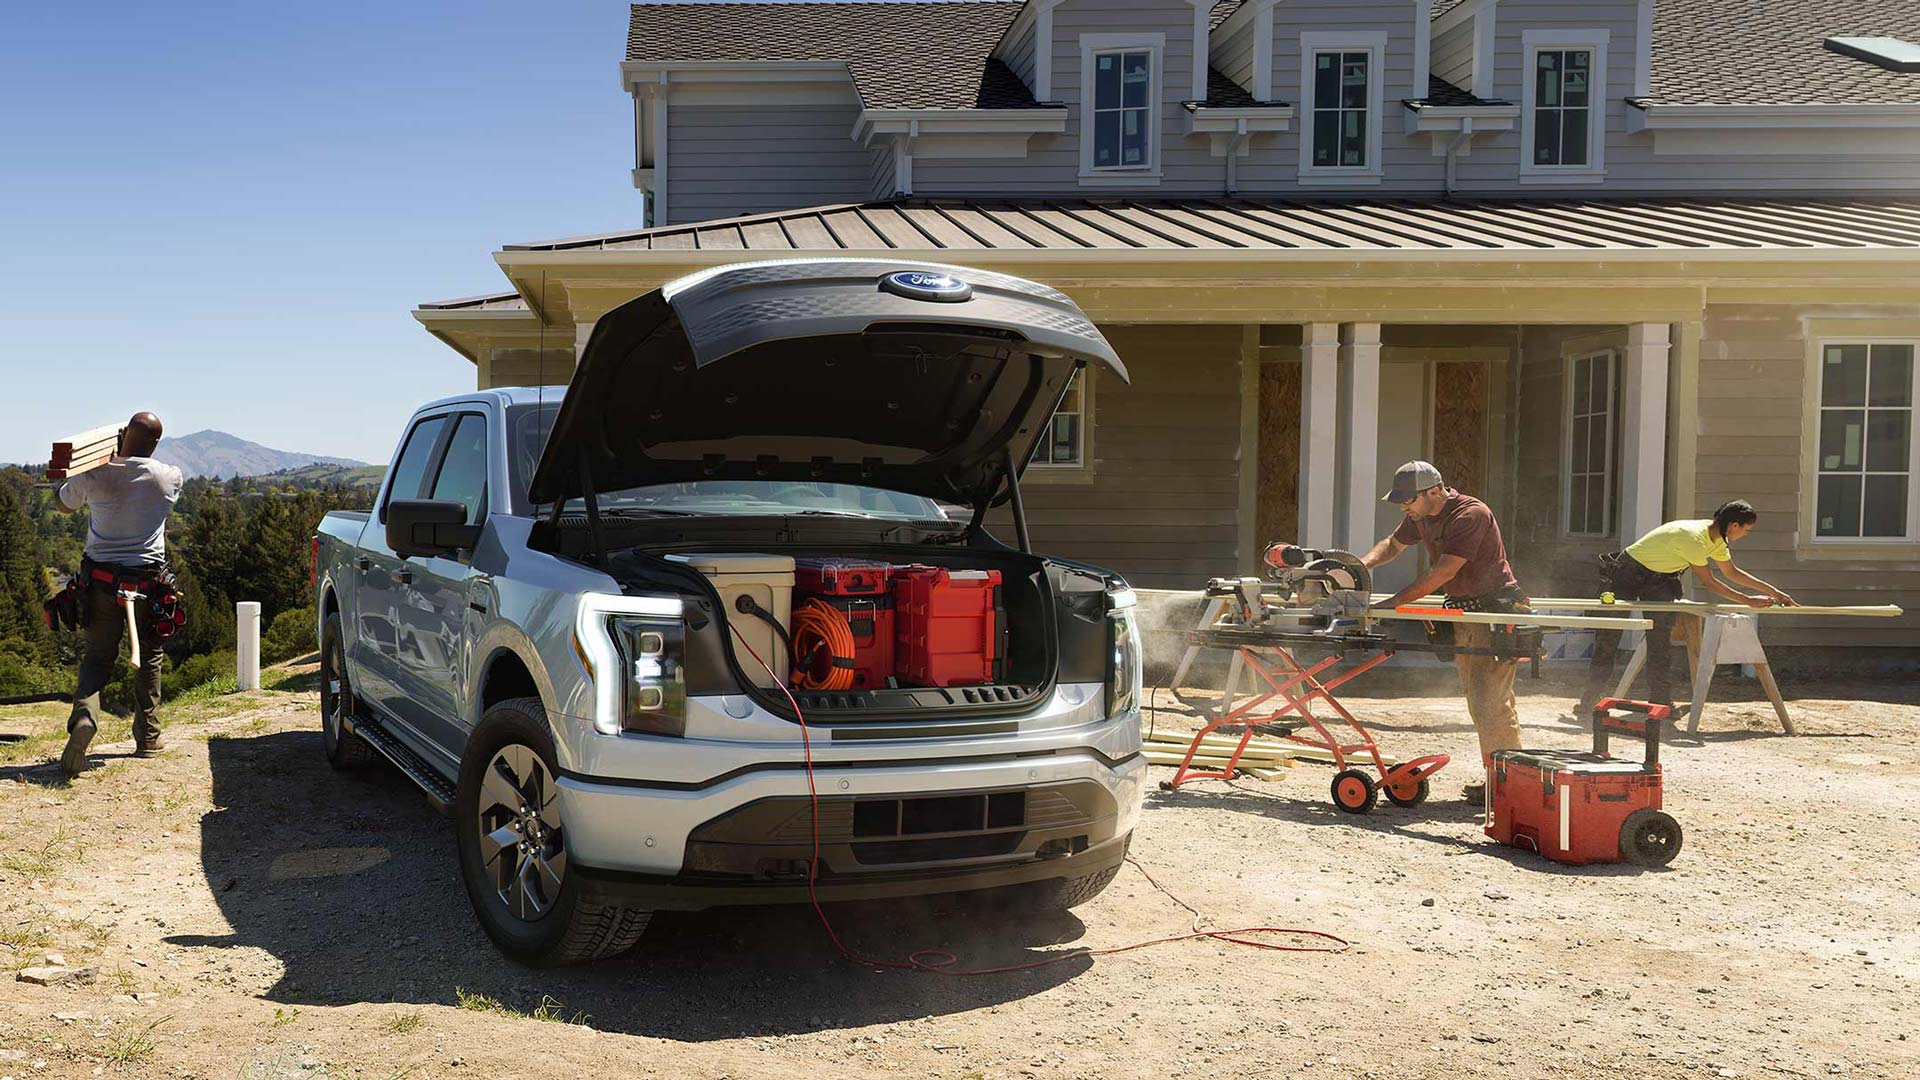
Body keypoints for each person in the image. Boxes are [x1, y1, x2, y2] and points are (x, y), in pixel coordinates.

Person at [1361, 461, 1526, 799]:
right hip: (1468, 612)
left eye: (1409, 501)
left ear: (1434, 492)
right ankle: (1503, 778)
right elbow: (1392, 544)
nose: (1405, 507)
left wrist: (1394, 603)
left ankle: (1508, 786)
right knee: (1481, 697)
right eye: (1402, 502)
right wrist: (1360, 566)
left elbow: (1443, 572)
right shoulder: (1421, 514)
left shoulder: (1470, 514)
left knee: (1488, 700)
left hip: (1495, 611)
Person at [51, 412, 185, 776]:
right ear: (155, 444)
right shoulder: (167, 477)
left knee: (97, 658)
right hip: (147, 584)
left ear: (123, 435)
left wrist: (99, 462)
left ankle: (84, 718)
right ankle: (148, 737)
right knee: (150, 655)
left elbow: (62, 504)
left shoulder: (95, 474)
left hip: (100, 583)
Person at [1576, 499, 1796, 716]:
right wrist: (1747, 601)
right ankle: (1590, 700)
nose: (1746, 534)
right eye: (1747, 530)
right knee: (1609, 635)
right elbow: (1709, 582)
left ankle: (1661, 703)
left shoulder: (1718, 540)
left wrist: (1774, 593)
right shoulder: (1694, 538)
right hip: (1629, 572)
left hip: (1662, 579)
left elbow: (1732, 572)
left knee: (1660, 640)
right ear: (1734, 525)